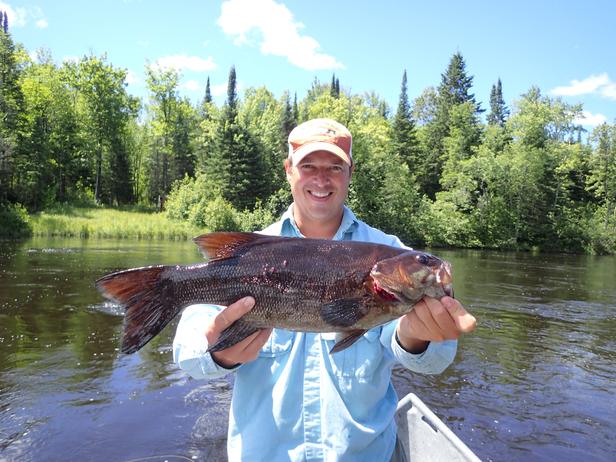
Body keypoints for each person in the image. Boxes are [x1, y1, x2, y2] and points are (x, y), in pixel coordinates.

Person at [173, 118, 476, 461]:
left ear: (350, 173)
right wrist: (218, 354)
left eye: (334, 166)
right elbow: (187, 351)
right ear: (288, 170)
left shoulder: (389, 250)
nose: (321, 179)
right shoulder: (253, 250)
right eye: (308, 166)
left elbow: (434, 361)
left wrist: (417, 337)